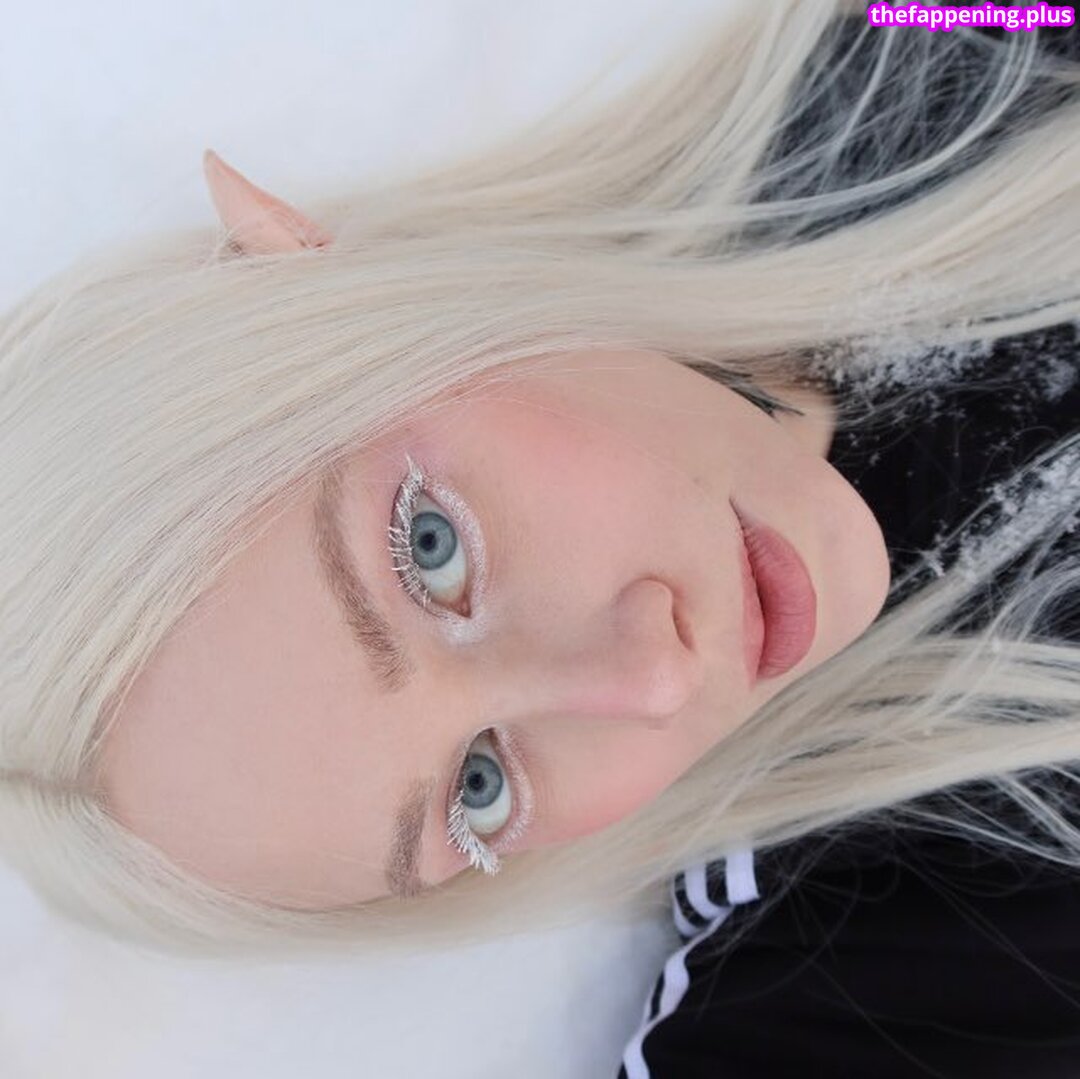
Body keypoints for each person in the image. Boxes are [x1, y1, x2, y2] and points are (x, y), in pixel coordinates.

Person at [0, 1, 1078, 1069]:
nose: (651, 679)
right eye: (480, 787)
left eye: (432, 550)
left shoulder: (939, 50)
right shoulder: (881, 947)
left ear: (336, 288)